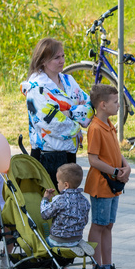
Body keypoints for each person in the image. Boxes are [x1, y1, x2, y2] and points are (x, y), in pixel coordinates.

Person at [22, 37, 92, 185]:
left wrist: (68, 113)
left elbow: (90, 107)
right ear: (43, 61)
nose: (62, 61)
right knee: (51, 204)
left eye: (63, 56)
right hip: (47, 156)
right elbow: (52, 125)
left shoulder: (69, 80)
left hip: (69, 153)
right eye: (56, 58)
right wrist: (76, 118)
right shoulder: (36, 88)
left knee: (67, 203)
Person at [84, 84, 132, 269]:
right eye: (115, 101)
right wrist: (114, 171)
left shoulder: (110, 124)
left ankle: (107, 266)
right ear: (103, 105)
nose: (119, 105)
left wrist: (126, 166)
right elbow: (93, 159)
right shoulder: (95, 128)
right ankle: (96, 267)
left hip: (113, 184)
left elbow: (115, 151)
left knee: (108, 225)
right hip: (102, 184)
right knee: (98, 224)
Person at [41, 163, 92, 258]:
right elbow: (85, 221)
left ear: (66, 185)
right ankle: (77, 243)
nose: (57, 184)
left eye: (58, 182)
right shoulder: (84, 200)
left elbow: (45, 215)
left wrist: (45, 199)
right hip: (76, 237)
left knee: (43, 243)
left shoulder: (60, 200)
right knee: (73, 238)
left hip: (58, 240)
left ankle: (65, 247)